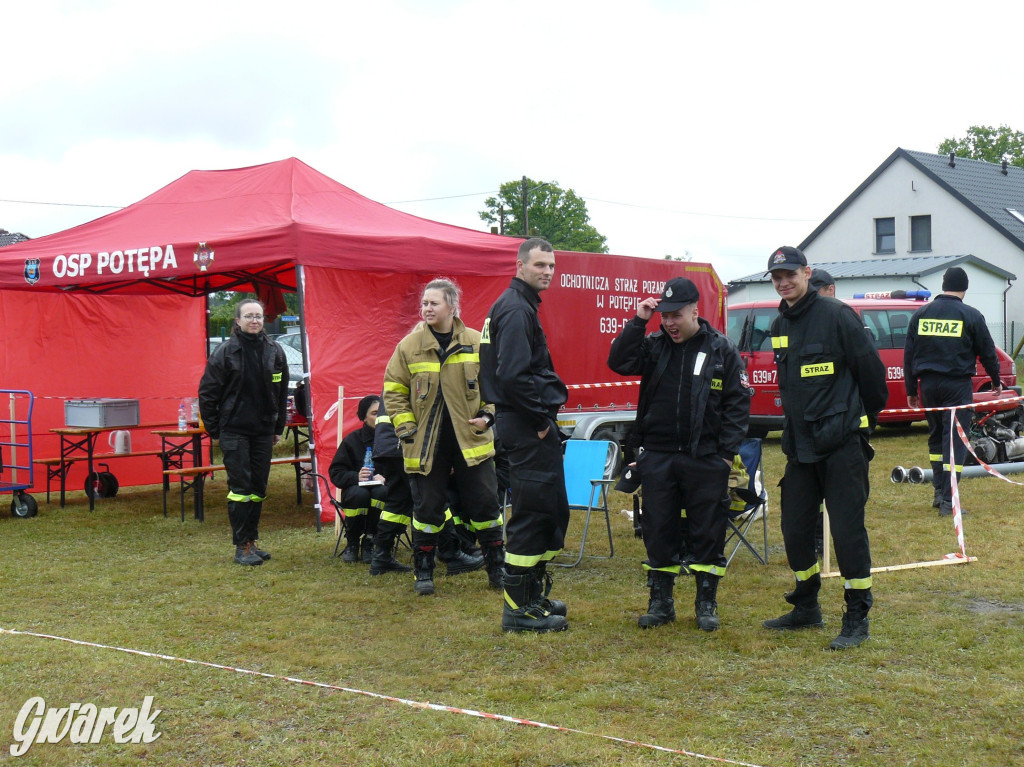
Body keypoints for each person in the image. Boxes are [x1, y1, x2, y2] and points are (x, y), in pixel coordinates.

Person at [762, 246, 888, 650]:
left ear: (806, 273)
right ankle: (806, 606)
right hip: (800, 447)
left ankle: (856, 615)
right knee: (795, 528)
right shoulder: (780, 322)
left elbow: (873, 377)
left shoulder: (837, 316)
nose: (784, 282)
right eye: (777, 277)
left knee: (848, 532)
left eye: (790, 274)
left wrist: (859, 422)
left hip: (841, 444)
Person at [608, 277, 750, 631]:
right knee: (658, 528)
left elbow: (737, 405)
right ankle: (661, 602)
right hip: (658, 455)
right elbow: (619, 361)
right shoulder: (654, 345)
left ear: (695, 312)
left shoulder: (721, 349)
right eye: (665, 316)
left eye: (677, 315)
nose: (670, 323)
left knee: (708, 530)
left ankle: (706, 603)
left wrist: (724, 456)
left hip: (705, 458)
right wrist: (639, 322)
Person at [383, 278, 504, 596]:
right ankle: (423, 573)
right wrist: (406, 428)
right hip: (425, 444)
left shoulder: (476, 343)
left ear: (453, 307)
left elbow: (495, 386)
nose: (426, 308)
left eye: (433, 303)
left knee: (486, 506)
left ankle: (497, 569)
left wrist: (488, 416)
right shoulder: (408, 346)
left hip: (471, 441)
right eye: (424, 303)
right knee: (428, 511)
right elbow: (394, 391)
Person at [479, 237, 570, 634]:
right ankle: (517, 609)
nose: (546, 271)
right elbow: (512, 375)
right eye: (539, 265)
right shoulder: (515, 309)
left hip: (522, 421)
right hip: (524, 422)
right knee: (532, 512)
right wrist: (540, 420)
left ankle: (532, 595)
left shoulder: (518, 305)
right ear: (519, 265)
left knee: (549, 508)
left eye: (551, 266)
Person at [904, 267, 1002, 516]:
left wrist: (911, 389)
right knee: (955, 442)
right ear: (965, 288)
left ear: (944, 285)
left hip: (928, 386)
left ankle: (939, 495)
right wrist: (996, 380)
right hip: (956, 386)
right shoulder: (970, 315)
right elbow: (988, 352)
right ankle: (949, 502)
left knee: (937, 439)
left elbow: (909, 355)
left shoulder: (921, 314)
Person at [198, 298, 289, 566]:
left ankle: (252, 540)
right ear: (237, 321)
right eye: (249, 316)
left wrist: (277, 427)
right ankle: (241, 546)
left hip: (262, 431)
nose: (255, 321)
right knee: (241, 488)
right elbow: (207, 393)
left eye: (259, 316)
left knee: (258, 488)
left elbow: (281, 392)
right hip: (234, 431)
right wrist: (216, 429)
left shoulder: (275, 351)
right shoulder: (225, 353)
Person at [329, 395, 387, 563]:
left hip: (382, 489)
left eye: (382, 413)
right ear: (363, 416)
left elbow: (402, 470)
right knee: (360, 494)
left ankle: (370, 540)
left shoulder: (392, 440)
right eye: (374, 413)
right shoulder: (352, 440)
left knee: (381, 492)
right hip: (355, 490)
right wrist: (355, 476)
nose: (379, 417)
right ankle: (352, 541)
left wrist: (386, 477)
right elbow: (336, 472)